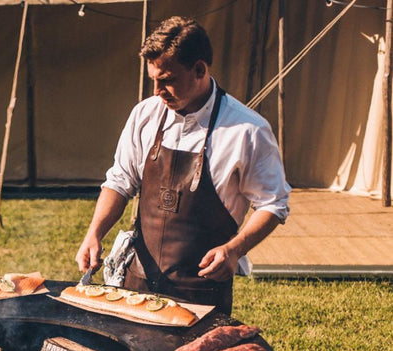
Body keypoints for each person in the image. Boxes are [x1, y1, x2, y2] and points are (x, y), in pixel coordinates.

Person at [75, 16, 290, 315]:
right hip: (138, 282)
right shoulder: (145, 115)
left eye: (167, 80)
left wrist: (235, 249)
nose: (157, 91)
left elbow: (273, 203)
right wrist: (94, 233)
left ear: (199, 69)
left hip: (201, 291)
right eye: (154, 80)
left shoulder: (248, 130)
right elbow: (120, 181)